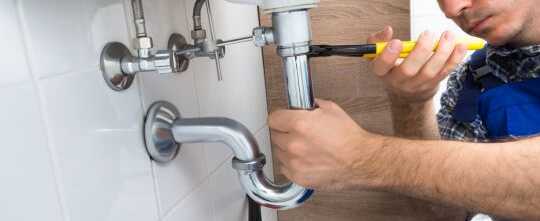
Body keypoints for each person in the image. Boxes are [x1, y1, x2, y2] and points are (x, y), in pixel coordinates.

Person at [267, 0, 540, 220]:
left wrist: (362, 157)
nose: (451, 9)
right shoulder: (473, 80)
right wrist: (411, 102)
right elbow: (442, 215)